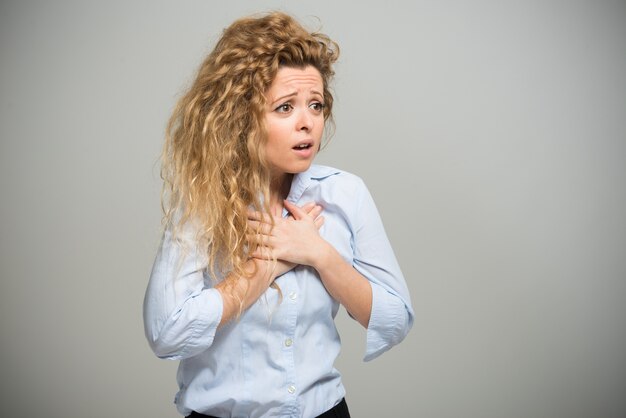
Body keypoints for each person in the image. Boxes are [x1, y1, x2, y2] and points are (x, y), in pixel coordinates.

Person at [143, 11, 414, 418]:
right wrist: (267, 264)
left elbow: (395, 319)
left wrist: (319, 254)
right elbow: (167, 332)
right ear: (241, 117)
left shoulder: (345, 193)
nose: (307, 124)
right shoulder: (203, 202)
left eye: (316, 105)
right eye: (285, 108)